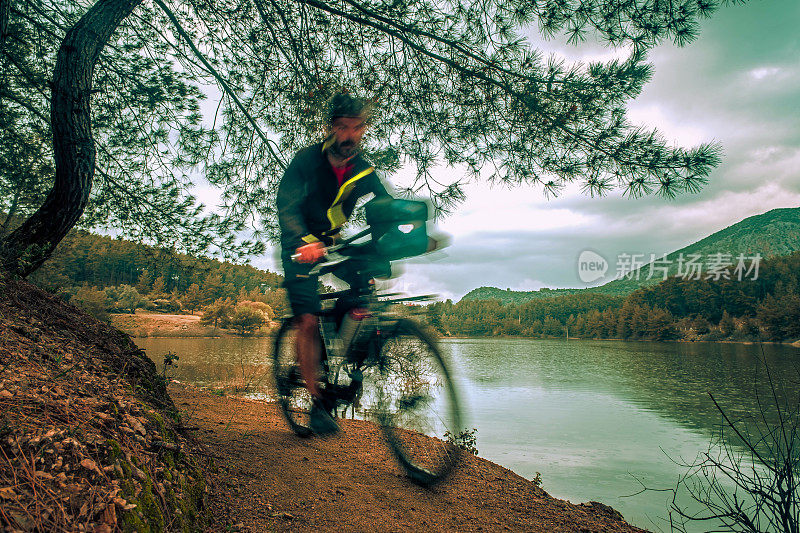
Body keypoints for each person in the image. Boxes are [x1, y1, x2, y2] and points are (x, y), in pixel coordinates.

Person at [276, 92, 391, 436]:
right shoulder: (306, 161)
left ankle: (342, 358)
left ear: (364, 130)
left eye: (356, 128)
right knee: (308, 319)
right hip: (300, 245)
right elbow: (288, 206)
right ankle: (317, 401)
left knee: (364, 289)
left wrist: (407, 233)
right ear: (330, 128)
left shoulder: (363, 169)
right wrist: (303, 241)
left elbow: (385, 205)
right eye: (342, 127)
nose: (349, 136)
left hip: (332, 242)